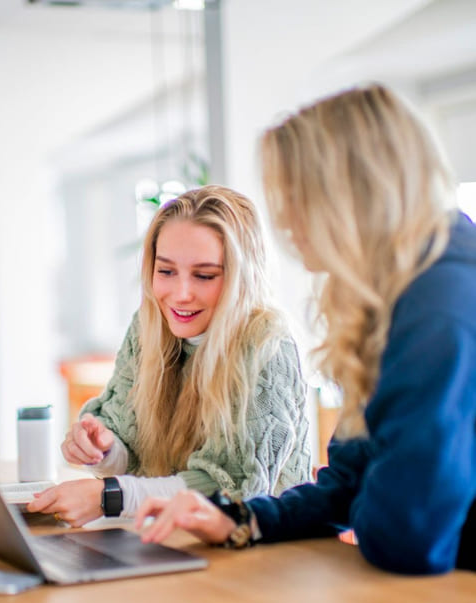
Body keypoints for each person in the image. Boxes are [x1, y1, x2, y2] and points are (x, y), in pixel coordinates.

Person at [135, 84, 476, 575]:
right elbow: (347, 482)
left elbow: (406, 534)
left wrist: (365, 503)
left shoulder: (438, 304)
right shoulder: (403, 287)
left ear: (349, 193)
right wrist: (241, 520)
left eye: (294, 195)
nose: (285, 219)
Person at [28, 185, 312, 525]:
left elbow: (235, 489)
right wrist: (104, 449)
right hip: (174, 540)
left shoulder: (267, 345)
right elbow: (131, 450)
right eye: (165, 271)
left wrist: (110, 497)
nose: (180, 294)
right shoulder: (149, 327)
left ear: (242, 278)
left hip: (266, 553)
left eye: (205, 275)